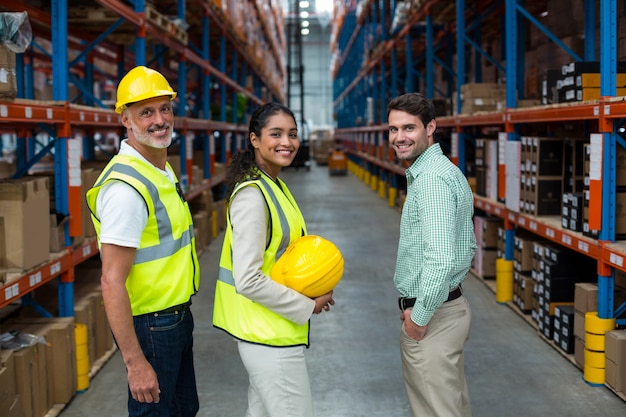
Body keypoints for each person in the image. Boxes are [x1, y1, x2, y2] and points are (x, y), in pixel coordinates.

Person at [86, 66, 200, 417]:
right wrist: (135, 363)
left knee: (183, 410)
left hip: (177, 317)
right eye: (145, 112)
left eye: (165, 108)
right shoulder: (126, 190)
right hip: (152, 326)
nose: (159, 120)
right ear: (125, 119)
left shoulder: (160, 169)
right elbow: (111, 280)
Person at [212, 102, 335, 417]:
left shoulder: (273, 185)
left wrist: (315, 286)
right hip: (268, 338)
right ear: (255, 139)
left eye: (292, 134)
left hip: (270, 331)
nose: (287, 142)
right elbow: (248, 279)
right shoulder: (253, 197)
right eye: (276, 134)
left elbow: (284, 261)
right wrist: (308, 305)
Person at [387, 93, 476, 417]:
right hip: (448, 308)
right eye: (394, 129)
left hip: (434, 317)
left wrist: (419, 318)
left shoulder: (432, 181)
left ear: (431, 127)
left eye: (409, 128)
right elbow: (466, 245)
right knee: (451, 407)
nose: (399, 137)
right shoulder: (441, 170)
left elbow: (441, 258)